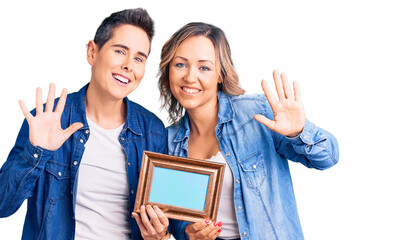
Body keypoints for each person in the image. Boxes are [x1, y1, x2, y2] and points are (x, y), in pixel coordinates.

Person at [158, 22, 339, 240]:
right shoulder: (168, 142)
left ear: (220, 75)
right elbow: (178, 220)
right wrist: (188, 233)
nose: (189, 77)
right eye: (180, 65)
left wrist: (298, 132)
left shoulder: (257, 113)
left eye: (204, 67)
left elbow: (328, 157)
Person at [0, 8, 170, 240]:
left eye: (139, 58)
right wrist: (36, 152)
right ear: (92, 52)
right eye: (120, 51)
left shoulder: (153, 132)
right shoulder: (47, 119)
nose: (129, 65)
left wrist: (160, 234)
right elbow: (3, 205)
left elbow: (162, 222)